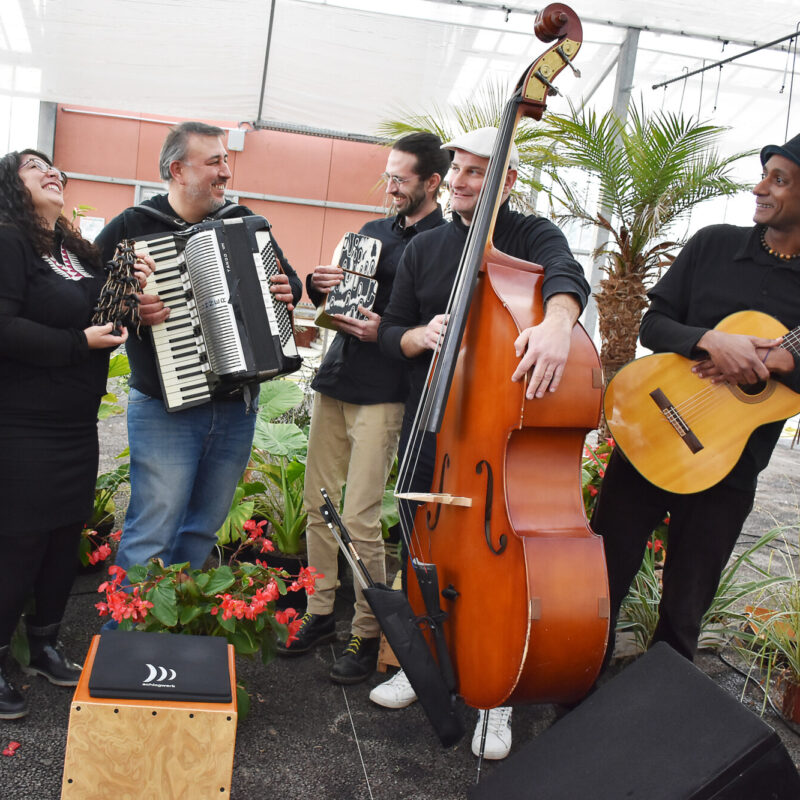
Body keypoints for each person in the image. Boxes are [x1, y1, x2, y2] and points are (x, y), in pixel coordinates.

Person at [377, 127, 591, 759]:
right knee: (424, 550)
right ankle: (423, 667)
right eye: (461, 170)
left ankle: (495, 691)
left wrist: (556, 324)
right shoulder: (426, 247)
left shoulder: (531, 235)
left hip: (496, 443)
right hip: (434, 429)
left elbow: (566, 275)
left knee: (497, 567)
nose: (466, 181)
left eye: (480, 171)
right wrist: (419, 335)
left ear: (509, 181)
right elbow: (391, 329)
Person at [590, 133, 800, 666]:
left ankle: (661, 721)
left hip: (728, 468)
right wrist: (711, 340)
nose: (760, 188)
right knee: (601, 582)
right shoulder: (711, 245)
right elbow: (652, 323)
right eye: (765, 173)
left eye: (779, 179)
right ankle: (573, 692)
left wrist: (782, 362)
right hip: (653, 432)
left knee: (684, 614)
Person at [277, 133, 451, 685]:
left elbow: (430, 325)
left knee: (359, 518)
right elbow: (336, 303)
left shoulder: (448, 245)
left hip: (386, 390)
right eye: (389, 175)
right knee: (316, 504)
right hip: (337, 378)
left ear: (432, 183)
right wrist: (319, 284)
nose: (390, 186)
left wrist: (393, 327)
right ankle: (321, 612)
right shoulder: (370, 232)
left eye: (401, 178)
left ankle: (369, 627)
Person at [94, 121, 302, 581]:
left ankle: (173, 638)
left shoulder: (243, 221)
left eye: (226, 160)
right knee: (152, 529)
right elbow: (91, 301)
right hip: (164, 409)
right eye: (214, 162)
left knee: (202, 531)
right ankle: (119, 640)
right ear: (177, 169)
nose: (226, 172)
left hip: (235, 408)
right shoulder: (132, 226)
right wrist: (131, 306)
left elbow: (288, 285)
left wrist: (290, 288)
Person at [0, 149, 140, 718]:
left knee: (64, 537)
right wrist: (77, 345)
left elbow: (109, 314)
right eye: (36, 167)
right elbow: (4, 327)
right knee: (20, 541)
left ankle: (46, 645)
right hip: (22, 424)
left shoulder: (75, 252)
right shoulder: (8, 241)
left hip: (75, 423)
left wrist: (133, 290)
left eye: (55, 166)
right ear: (11, 184)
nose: (52, 171)